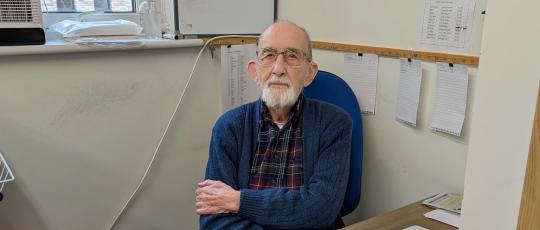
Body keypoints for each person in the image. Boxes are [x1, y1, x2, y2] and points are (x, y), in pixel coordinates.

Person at [195, 21, 353, 230]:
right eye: (269, 55)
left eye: (292, 56)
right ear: (255, 71)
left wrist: (238, 201)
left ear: (309, 73)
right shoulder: (229, 128)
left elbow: (320, 210)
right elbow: (213, 219)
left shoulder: (334, 124)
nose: (278, 69)